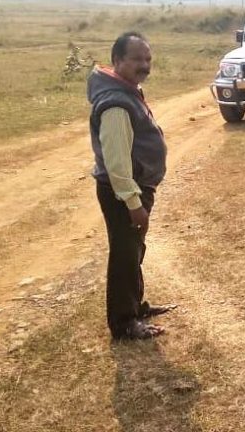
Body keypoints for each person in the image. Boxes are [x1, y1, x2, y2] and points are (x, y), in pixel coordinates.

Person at [87, 32, 174, 341]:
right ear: (117, 61)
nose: (144, 65)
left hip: (133, 190)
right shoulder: (115, 104)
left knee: (133, 249)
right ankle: (124, 323)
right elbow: (117, 163)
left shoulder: (126, 91)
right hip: (123, 192)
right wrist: (133, 203)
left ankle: (136, 306)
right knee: (124, 253)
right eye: (136, 59)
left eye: (148, 59)